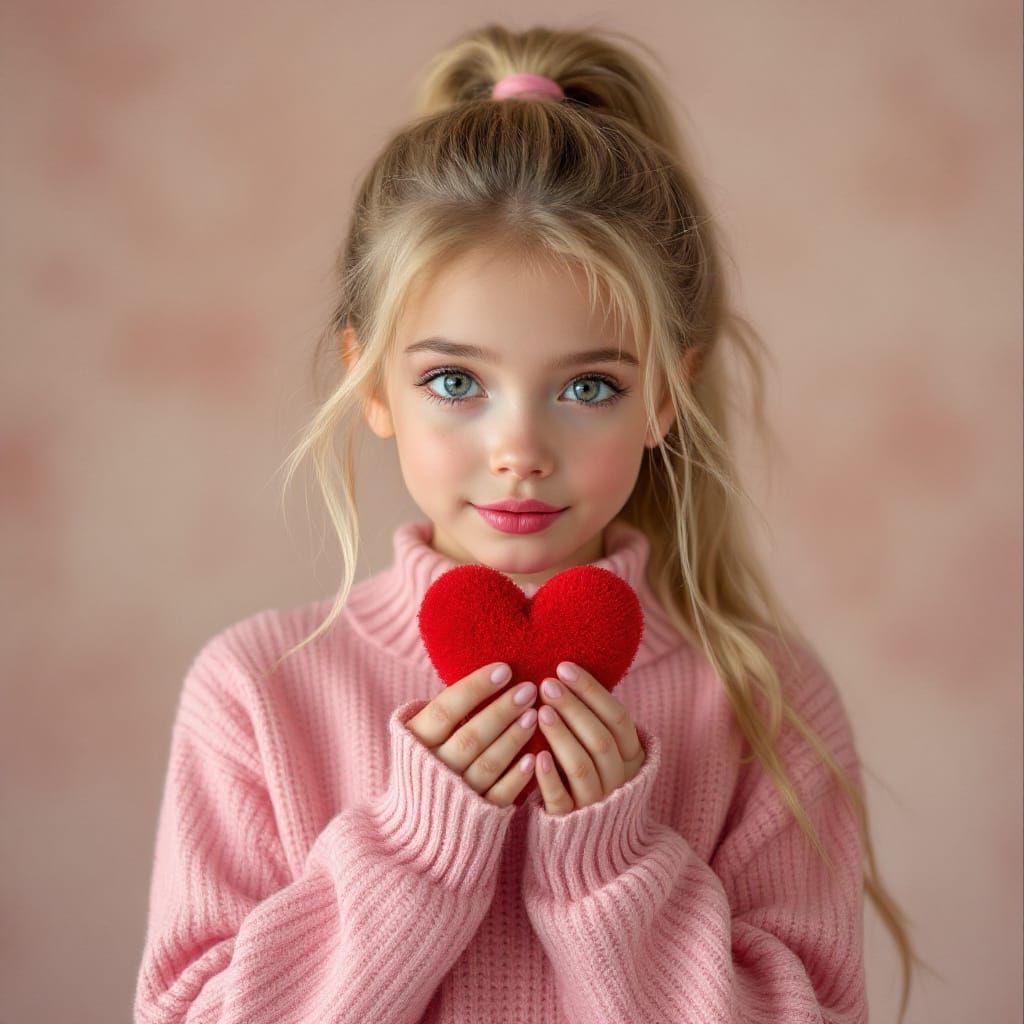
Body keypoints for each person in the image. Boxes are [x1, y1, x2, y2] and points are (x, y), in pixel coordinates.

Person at [133, 23, 923, 1024]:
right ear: (370, 380)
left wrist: (613, 872)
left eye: (589, 384)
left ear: (666, 396)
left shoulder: (762, 704)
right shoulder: (257, 690)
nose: (520, 448)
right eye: (454, 381)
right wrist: (416, 853)